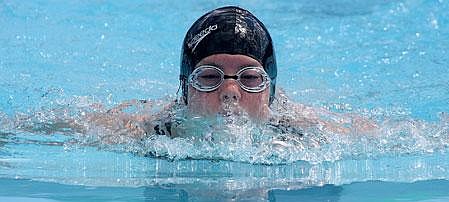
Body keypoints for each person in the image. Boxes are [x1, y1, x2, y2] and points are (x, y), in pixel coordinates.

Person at [79, 6, 376, 143]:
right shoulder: (151, 130)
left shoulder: (303, 131)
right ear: (185, 91)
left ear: (269, 92)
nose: (230, 92)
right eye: (209, 77)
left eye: (249, 78)